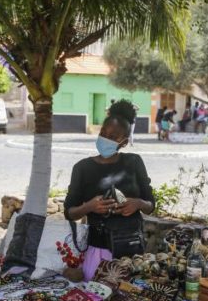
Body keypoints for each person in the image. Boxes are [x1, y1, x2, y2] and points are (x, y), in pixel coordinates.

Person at [64, 99, 155, 281]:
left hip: (132, 251)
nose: (106, 138)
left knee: (131, 298)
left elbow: (150, 205)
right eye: (103, 133)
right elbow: (69, 212)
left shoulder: (134, 162)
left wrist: (138, 203)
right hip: (98, 251)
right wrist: (89, 207)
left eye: (113, 137)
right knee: (98, 298)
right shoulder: (82, 168)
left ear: (124, 142)